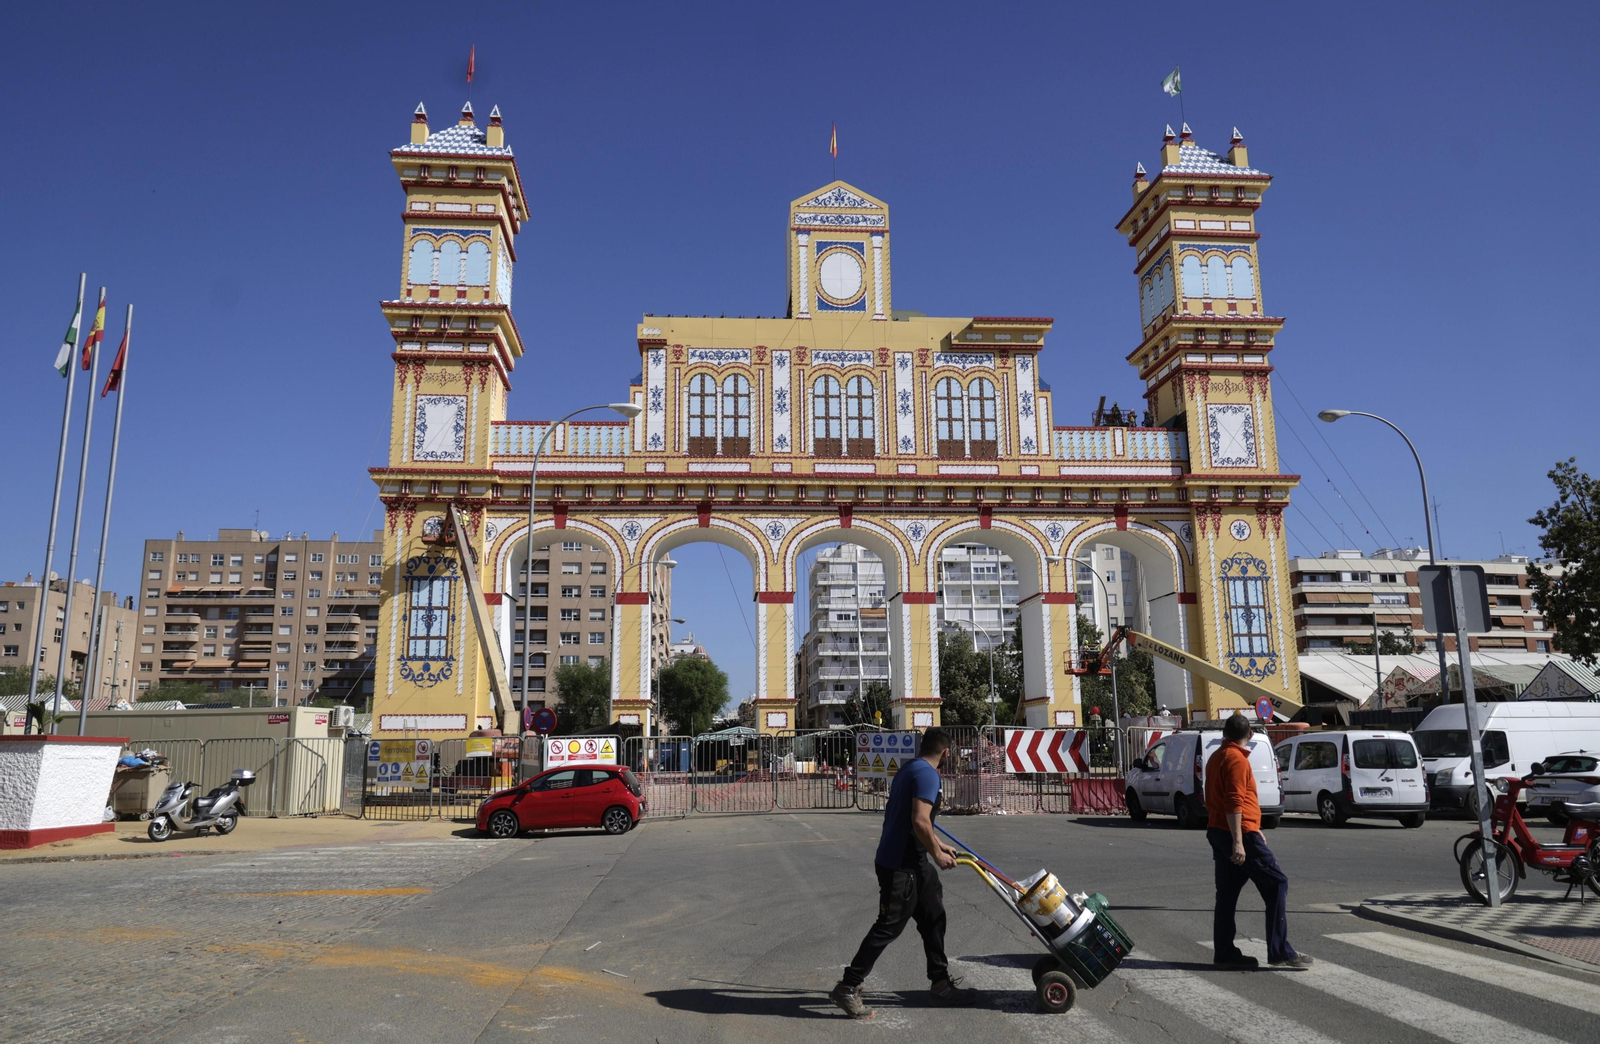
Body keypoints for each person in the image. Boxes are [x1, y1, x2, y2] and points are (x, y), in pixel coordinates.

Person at [829, 729, 978, 1018]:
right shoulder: (928, 775)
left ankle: (940, 984)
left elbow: (917, 823)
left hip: (914, 862)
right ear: (946, 753)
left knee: (934, 915)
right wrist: (936, 854)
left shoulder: (911, 767)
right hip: (900, 865)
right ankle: (848, 987)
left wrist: (938, 845)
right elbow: (919, 819)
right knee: (888, 926)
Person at [1206, 712, 1314, 970]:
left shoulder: (1216, 757)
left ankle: (1224, 952)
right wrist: (1240, 840)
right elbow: (1234, 802)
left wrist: (1251, 830)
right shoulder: (1237, 760)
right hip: (1236, 832)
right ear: (1250, 736)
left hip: (1219, 830)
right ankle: (1280, 950)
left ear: (1224, 733)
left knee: (1227, 895)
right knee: (1277, 883)